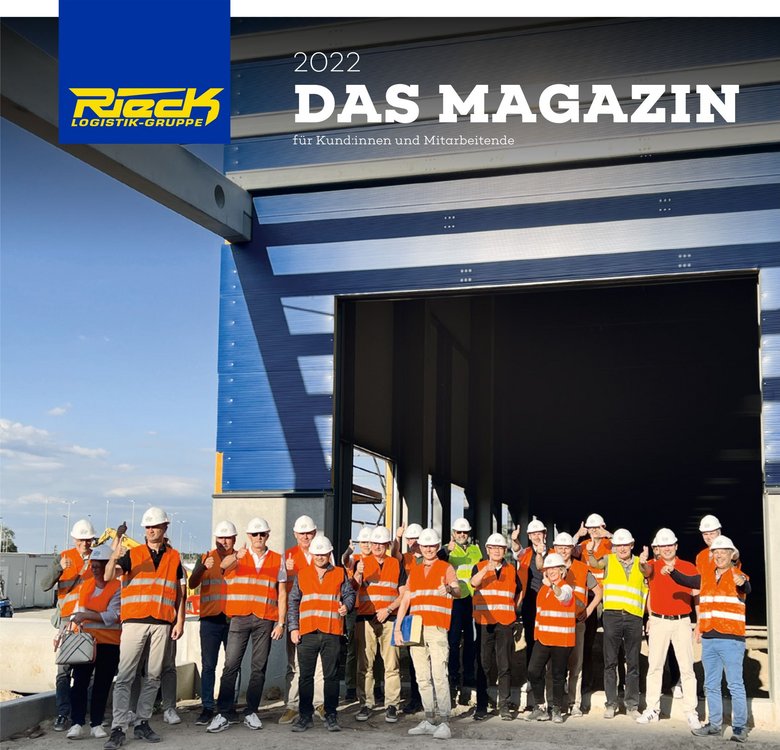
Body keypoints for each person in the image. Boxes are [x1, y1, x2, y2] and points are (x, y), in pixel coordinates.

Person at [103, 509, 186, 749]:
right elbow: (109, 575)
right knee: (126, 676)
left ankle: (142, 722)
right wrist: (116, 544)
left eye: (157, 526)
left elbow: (180, 592)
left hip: (162, 622)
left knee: (153, 677)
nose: (152, 530)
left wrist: (179, 621)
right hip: (134, 622)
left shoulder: (174, 557)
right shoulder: (133, 554)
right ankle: (118, 727)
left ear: (165, 528)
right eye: (149, 527)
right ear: (144, 530)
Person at [667, 535, 751, 743]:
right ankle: (715, 725)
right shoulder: (705, 576)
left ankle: (739, 727)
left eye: (724, 552)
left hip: (732, 639)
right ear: (712, 555)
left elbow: (746, 587)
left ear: (733, 555)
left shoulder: (739, 576)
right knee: (711, 685)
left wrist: (742, 581)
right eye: (716, 552)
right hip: (710, 638)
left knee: (734, 684)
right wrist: (672, 571)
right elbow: (685, 580)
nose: (719, 555)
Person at [206, 517, 287, 732]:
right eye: (254, 534)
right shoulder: (238, 557)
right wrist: (235, 556)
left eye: (262, 534)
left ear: (268, 535)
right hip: (239, 617)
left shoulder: (278, 559)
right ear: (248, 536)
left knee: (258, 668)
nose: (258, 538)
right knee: (231, 665)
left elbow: (282, 593)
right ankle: (223, 713)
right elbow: (223, 567)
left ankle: (251, 711)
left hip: (265, 618)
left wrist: (281, 622)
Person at [394, 527, 461, 740]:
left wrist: (450, 590)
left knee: (439, 675)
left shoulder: (446, 567)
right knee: (422, 676)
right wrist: (397, 627)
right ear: (420, 547)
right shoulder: (415, 570)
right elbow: (406, 599)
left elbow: (458, 589)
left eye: (432, 545)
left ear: (437, 546)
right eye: (425, 545)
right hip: (416, 628)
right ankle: (429, 719)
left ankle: (444, 722)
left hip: (437, 628)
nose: (429, 549)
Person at [287, 535, 355, 733]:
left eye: (323, 554)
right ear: (312, 554)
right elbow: (293, 602)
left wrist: (346, 606)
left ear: (329, 554)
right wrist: (293, 628)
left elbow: (350, 594)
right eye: (317, 554)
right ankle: (305, 717)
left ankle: (331, 715)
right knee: (305, 677)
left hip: (331, 631)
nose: (320, 557)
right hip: (307, 632)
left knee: (331, 676)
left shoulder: (340, 574)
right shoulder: (302, 574)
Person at [636, 528, 700, 730]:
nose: (666, 549)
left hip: (682, 621)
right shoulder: (653, 566)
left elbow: (697, 594)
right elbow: (645, 571)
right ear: (658, 548)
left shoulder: (688, 567)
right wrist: (642, 562)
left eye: (669, 545)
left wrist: (699, 621)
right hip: (659, 621)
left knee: (687, 668)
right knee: (654, 667)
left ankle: (691, 712)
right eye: (663, 546)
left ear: (676, 546)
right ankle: (652, 709)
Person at [588, 527, 650, 720]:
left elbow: (649, 577)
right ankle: (611, 704)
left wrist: (646, 562)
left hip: (633, 616)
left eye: (626, 545)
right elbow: (593, 563)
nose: (622, 548)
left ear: (632, 545)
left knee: (633, 663)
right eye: (618, 545)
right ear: (614, 547)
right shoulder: (609, 560)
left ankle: (632, 705)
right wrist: (591, 550)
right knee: (610, 662)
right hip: (612, 616)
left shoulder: (642, 563)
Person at [41, 518, 96, 732]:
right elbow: (45, 585)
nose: (85, 544)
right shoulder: (63, 557)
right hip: (67, 621)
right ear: (75, 539)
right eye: (81, 540)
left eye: (88, 540)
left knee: (88, 671)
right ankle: (63, 714)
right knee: (63, 670)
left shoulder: (98, 558)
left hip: (90, 620)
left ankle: (85, 714)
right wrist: (58, 570)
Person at [65, 544, 121, 740]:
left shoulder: (117, 587)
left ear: (108, 566)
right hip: (85, 643)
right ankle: (77, 723)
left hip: (109, 644)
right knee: (79, 683)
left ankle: (96, 723)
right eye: (93, 566)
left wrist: (88, 615)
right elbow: (79, 614)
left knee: (102, 685)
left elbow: (113, 615)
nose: (94, 569)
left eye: (98, 566)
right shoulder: (86, 586)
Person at [353, 525, 405, 723]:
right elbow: (351, 589)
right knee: (364, 665)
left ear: (387, 545)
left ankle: (392, 705)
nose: (376, 547)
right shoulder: (360, 563)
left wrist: (389, 610)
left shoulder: (395, 564)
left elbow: (403, 595)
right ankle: (365, 704)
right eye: (374, 543)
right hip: (365, 619)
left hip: (389, 619)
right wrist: (358, 573)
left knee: (392, 665)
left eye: (381, 544)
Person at [187, 521, 236, 726]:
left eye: (227, 538)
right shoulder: (206, 558)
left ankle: (228, 707)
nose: (223, 542)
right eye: (220, 538)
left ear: (234, 539)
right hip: (210, 619)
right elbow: (192, 584)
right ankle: (207, 707)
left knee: (232, 666)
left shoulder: (239, 559)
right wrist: (200, 568)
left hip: (233, 618)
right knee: (209, 665)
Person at [550, 532, 602, 718]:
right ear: (555, 548)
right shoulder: (551, 567)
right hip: (556, 624)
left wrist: (588, 611)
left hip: (576, 624)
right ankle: (554, 703)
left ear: (572, 549)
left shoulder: (581, 569)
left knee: (576, 665)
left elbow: (598, 593)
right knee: (555, 666)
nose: (563, 551)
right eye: (560, 547)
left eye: (566, 547)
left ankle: (574, 703)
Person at [471, 532, 521, 721]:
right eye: (494, 548)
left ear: (505, 550)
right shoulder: (479, 567)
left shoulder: (511, 569)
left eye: (500, 548)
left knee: (505, 665)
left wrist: (514, 610)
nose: (497, 551)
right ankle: (481, 706)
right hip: (484, 623)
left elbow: (519, 590)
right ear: (488, 549)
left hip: (505, 622)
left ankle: (504, 705)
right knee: (483, 665)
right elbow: (473, 583)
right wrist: (486, 570)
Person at [280, 514, 326, 724]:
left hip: (318, 616)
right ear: (295, 534)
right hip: (296, 618)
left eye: (309, 532)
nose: (306, 536)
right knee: (293, 664)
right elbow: (280, 590)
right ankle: (292, 705)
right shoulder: (287, 557)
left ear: (314, 533)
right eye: (302, 533)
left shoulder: (323, 553)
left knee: (318, 664)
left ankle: (319, 703)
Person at [523, 553, 576, 724]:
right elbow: (540, 615)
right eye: (548, 569)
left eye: (555, 568)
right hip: (544, 639)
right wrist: (537, 636)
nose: (551, 571)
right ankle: (540, 707)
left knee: (558, 675)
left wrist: (552, 586)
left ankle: (557, 709)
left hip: (562, 640)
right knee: (533, 671)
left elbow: (563, 597)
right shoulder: (543, 590)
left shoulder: (566, 587)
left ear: (562, 571)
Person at [572, 512, 612, 706]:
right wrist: (578, 535)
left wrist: (608, 534)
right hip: (589, 597)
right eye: (591, 528)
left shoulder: (610, 544)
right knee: (585, 644)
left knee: (612, 645)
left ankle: (613, 686)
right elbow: (564, 551)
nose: (594, 531)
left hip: (608, 597)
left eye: (597, 527)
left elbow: (624, 547)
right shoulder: (582, 546)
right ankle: (586, 683)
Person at [446, 518, 483, 703]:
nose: (462, 535)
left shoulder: (476, 550)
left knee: (471, 640)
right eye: (459, 532)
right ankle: (453, 677)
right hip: (454, 600)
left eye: (465, 532)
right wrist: (446, 551)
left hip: (472, 600)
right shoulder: (448, 550)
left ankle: (468, 674)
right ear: (453, 533)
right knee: (452, 641)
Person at [392, 523, 424, 714]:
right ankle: (416, 698)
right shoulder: (406, 560)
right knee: (414, 658)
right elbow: (395, 554)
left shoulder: (437, 560)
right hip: (412, 613)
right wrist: (397, 538)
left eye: (416, 539)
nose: (413, 543)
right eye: (410, 539)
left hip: (431, 613)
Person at [511, 516, 548, 679]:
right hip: (529, 602)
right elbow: (516, 549)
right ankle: (532, 677)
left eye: (538, 533)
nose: (536, 536)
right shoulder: (525, 553)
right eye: (532, 534)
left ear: (544, 534)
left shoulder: (554, 553)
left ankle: (549, 677)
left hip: (549, 603)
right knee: (531, 639)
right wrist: (514, 540)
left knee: (548, 640)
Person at [342, 526, 374, 702]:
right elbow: (343, 559)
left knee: (371, 651)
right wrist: (349, 550)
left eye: (369, 541)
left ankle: (375, 686)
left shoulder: (378, 559)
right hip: (354, 609)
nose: (367, 545)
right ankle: (351, 686)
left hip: (372, 609)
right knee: (353, 649)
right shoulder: (353, 560)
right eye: (363, 542)